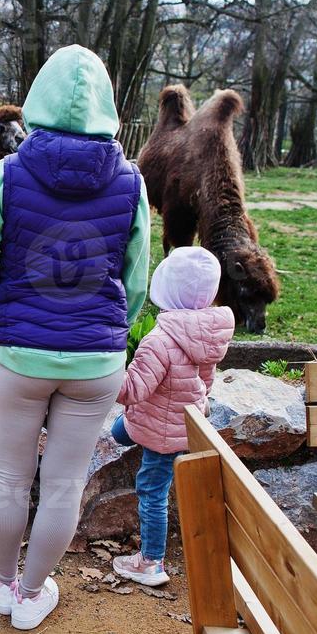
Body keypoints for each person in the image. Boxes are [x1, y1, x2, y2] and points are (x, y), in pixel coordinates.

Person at [0, 45, 150, 630]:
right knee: (65, 482)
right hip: (97, 358)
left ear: (38, 98)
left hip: (19, 351)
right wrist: (117, 327)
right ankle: (34, 594)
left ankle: (1, 579)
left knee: (11, 477)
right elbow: (136, 277)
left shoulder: (5, 174)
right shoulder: (131, 183)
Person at [109, 247, 234, 587]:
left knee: (152, 489)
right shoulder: (205, 336)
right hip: (182, 420)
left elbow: (132, 391)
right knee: (122, 429)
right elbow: (206, 380)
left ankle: (151, 562)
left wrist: (107, 368)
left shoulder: (159, 341)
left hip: (163, 435)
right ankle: (124, 431)